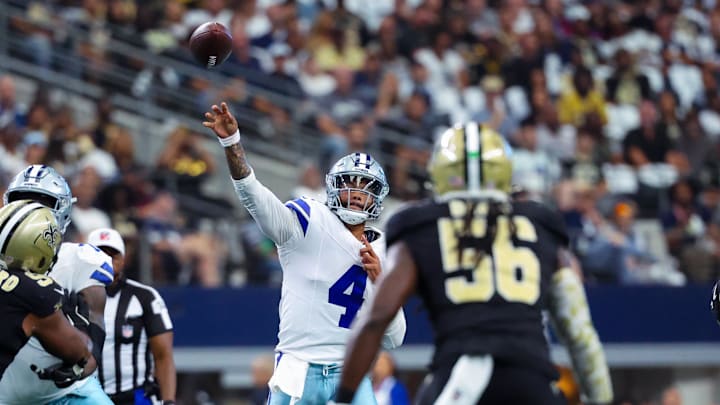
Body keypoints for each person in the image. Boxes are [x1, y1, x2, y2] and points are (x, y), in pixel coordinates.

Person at [334, 123, 613, 405]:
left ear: (441, 173)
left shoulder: (419, 225)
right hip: (531, 385)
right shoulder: (540, 224)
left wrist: (344, 398)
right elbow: (580, 334)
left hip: (459, 382)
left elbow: (376, 317)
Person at [202, 102, 406, 405]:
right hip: (299, 367)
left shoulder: (384, 248)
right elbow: (254, 198)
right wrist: (232, 144)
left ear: (377, 197)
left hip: (351, 369)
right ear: (334, 186)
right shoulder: (309, 218)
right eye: (350, 183)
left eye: (365, 186)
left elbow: (395, 339)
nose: (356, 192)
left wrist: (380, 284)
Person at [0, 164, 114, 404]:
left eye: (41, 202)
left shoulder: (80, 259)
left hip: (66, 393)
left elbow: (95, 317)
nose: (30, 209)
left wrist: (86, 362)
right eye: (22, 200)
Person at [88, 227, 176, 405]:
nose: (106, 260)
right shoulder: (71, 295)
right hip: (87, 396)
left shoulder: (145, 297)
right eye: (99, 254)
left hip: (135, 396)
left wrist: (168, 401)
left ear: (123, 259)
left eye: (113, 255)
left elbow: (163, 355)